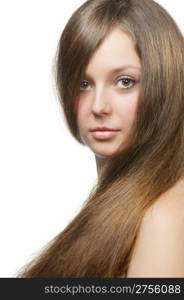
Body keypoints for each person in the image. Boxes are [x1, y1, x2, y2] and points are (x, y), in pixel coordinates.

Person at [16, 0, 184, 278]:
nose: (98, 106)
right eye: (84, 83)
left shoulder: (164, 220)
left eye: (125, 82)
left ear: (166, 82)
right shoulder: (122, 208)